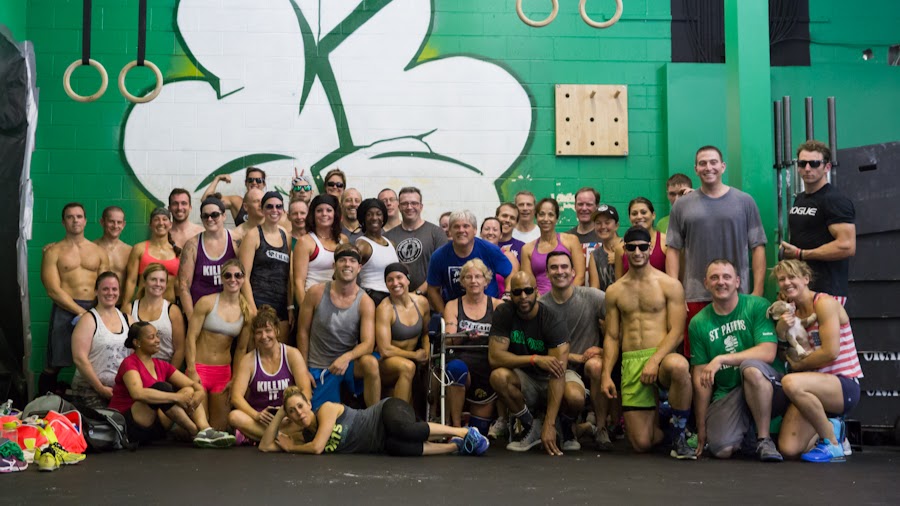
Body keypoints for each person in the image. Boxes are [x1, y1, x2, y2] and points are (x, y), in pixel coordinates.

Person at [600, 226, 695, 459]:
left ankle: (679, 435)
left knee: (679, 366)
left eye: (642, 247)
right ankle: (665, 418)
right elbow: (612, 336)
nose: (637, 252)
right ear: (625, 250)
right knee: (642, 443)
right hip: (632, 361)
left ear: (650, 248)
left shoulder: (669, 285)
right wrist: (606, 374)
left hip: (662, 359)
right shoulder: (614, 291)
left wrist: (654, 361)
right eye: (632, 248)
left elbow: (677, 332)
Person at [666, 145, 767, 358]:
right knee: (700, 359)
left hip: (739, 294)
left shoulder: (745, 201)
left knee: (740, 357)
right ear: (696, 169)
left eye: (713, 162)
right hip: (695, 295)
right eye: (702, 163)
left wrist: (757, 291)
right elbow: (673, 250)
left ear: (723, 166)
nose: (708, 167)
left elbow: (758, 246)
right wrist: (676, 294)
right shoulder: (681, 206)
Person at [690, 259, 786, 462]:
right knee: (721, 449)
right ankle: (747, 434)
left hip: (768, 385)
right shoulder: (698, 323)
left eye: (727, 277)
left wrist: (722, 359)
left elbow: (768, 352)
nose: (721, 282)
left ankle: (764, 439)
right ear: (706, 283)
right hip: (730, 392)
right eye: (714, 277)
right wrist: (701, 427)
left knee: (750, 368)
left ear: (737, 282)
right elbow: (701, 379)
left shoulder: (757, 305)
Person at [773, 260, 862, 463]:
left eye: (792, 277)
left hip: (842, 385)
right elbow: (783, 354)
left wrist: (798, 366)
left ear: (806, 279)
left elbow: (830, 352)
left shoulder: (824, 303)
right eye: (782, 279)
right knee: (789, 449)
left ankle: (832, 443)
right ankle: (833, 426)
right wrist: (781, 330)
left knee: (790, 382)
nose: (787, 283)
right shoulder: (790, 312)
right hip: (811, 390)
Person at [108, 321, 235, 448]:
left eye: (157, 336)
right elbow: (137, 393)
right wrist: (176, 397)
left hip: (156, 426)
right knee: (162, 387)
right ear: (137, 343)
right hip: (129, 426)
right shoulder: (129, 363)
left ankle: (205, 429)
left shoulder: (161, 365)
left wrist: (200, 392)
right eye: (151, 337)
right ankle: (195, 431)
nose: (157, 340)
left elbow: (193, 385)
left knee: (189, 390)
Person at [258, 387, 488, 456]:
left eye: (300, 406)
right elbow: (265, 446)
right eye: (292, 411)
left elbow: (318, 447)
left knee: (404, 430)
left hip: (386, 412)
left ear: (309, 404)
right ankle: (455, 447)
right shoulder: (304, 436)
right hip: (382, 441)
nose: (298, 413)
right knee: (398, 448)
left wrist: (293, 448)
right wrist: (280, 412)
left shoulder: (326, 410)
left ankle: (463, 432)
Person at [489, 272, 570, 455]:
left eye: (528, 291)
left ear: (537, 291)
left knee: (575, 397)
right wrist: (534, 359)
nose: (523, 296)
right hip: (526, 377)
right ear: (511, 295)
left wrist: (549, 424)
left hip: (552, 377)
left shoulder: (552, 319)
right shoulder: (504, 313)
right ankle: (531, 426)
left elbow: (558, 373)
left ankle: (565, 429)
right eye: (517, 292)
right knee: (498, 377)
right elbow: (494, 357)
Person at [540, 251, 610, 451]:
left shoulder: (593, 297)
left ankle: (601, 428)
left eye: (564, 267)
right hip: (557, 369)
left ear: (573, 272)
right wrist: (575, 356)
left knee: (596, 365)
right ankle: (572, 426)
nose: (559, 271)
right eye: (554, 267)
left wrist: (603, 349)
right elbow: (541, 348)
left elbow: (618, 327)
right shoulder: (541, 306)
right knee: (572, 397)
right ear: (547, 273)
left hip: (589, 367)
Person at [297, 244, 380, 409]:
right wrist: (303, 369)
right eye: (342, 260)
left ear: (359, 268)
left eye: (352, 261)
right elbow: (302, 332)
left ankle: (374, 416)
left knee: (370, 363)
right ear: (334, 265)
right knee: (316, 416)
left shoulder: (365, 302)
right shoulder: (315, 293)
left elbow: (368, 344)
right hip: (320, 366)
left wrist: (346, 357)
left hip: (347, 364)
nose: (347, 264)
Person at [39, 202, 110, 394]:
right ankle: (41, 403)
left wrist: (94, 312)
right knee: (54, 363)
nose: (75, 220)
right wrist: (80, 312)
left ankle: (96, 400)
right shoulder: (53, 251)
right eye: (70, 217)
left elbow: (105, 285)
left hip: (95, 308)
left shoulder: (98, 251)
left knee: (96, 358)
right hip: (65, 308)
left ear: (85, 221)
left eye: (79, 216)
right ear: (63, 222)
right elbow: (53, 289)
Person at [781, 140, 856, 304]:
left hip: (827, 290)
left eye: (814, 163)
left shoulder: (835, 200)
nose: (807, 168)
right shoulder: (800, 199)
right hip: (802, 288)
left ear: (827, 167)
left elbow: (847, 246)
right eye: (803, 163)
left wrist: (801, 254)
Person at [185, 259, 252, 430]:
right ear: (221, 278)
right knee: (200, 427)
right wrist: (191, 369)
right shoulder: (206, 302)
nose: (233, 279)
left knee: (220, 428)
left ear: (243, 279)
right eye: (228, 275)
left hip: (223, 373)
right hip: (199, 368)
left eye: (238, 275)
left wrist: (235, 378)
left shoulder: (247, 311)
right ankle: (181, 427)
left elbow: (241, 349)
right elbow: (191, 337)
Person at [227, 306, 311, 444]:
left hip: (287, 417)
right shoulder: (248, 360)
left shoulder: (292, 354)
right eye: (259, 333)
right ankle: (279, 437)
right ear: (254, 336)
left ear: (276, 330)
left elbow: (305, 390)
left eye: (268, 330)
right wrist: (257, 415)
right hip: (262, 419)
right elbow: (236, 397)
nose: (264, 336)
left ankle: (259, 437)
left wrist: (291, 413)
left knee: (310, 417)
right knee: (234, 416)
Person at [441, 259, 503, 432]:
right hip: (462, 362)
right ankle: (455, 428)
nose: (473, 281)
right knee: (456, 368)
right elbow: (449, 340)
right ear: (462, 281)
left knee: (479, 430)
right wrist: (465, 335)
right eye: (468, 277)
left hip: (488, 365)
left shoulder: (498, 306)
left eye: (478, 276)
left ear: (486, 280)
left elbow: (505, 340)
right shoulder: (453, 305)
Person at [425, 210, 512, 313]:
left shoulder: (490, 250)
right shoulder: (439, 256)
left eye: (466, 226)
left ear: (475, 230)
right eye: (456, 227)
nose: (461, 230)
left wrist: (507, 294)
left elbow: (510, 273)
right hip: (455, 313)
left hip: (489, 311)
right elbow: (433, 289)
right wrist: (445, 314)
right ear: (450, 231)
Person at [70, 272, 133, 409]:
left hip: (120, 389)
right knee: (106, 420)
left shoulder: (128, 319)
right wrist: (100, 388)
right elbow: (79, 359)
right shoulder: (88, 320)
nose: (110, 293)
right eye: (105, 289)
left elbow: (135, 356)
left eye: (114, 289)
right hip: (89, 390)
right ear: (96, 292)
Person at [239, 191, 293, 339]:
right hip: (258, 303)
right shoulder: (253, 235)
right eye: (269, 206)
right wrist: (252, 309)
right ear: (262, 210)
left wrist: (290, 306)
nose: (274, 210)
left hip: (281, 306)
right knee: (258, 349)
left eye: (278, 206)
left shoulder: (286, 235)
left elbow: (289, 276)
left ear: (283, 210)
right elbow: (244, 277)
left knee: (279, 350)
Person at [375, 263, 431, 405]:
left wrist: (426, 352)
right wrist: (415, 356)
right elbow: (385, 350)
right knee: (408, 367)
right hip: (386, 361)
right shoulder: (384, 309)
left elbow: (426, 333)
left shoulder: (422, 303)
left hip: (412, 359)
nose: (395, 283)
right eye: (390, 280)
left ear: (408, 280)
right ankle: (401, 415)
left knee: (427, 367)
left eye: (399, 278)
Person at [177, 197, 238, 320]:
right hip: (201, 313)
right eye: (205, 216)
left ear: (224, 216)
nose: (210, 219)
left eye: (214, 215)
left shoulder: (236, 241)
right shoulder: (192, 245)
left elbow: (245, 278)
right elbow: (183, 286)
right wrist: (192, 318)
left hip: (230, 312)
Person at [384, 187, 448, 294]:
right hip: (397, 298)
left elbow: (441, 268)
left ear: (421, 207)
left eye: (414, 203)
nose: (409, 207)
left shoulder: (436, 233)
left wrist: (417, 293)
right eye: (405, 204)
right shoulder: (387, 237)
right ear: (399, 207)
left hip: (431, 299)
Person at [122, 263, 186, 368]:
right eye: (153, 279)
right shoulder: (129, 309)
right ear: (144, 282)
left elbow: (180, 349)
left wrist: (170, 375)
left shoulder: (173, 311)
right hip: (136, 368)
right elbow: (122, 345)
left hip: (165, 368)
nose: (158, 284)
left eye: (162, 280)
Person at [292, 194, 348, 307]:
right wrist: (305, 311)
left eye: (329, 210)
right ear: (313, 215)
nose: (324, 214)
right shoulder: (305, 242)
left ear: (335, 214)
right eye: (319, 210)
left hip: (337, 302)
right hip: (311, 302)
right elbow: (298, 282)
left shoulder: (343, 240)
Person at [520, 198, 584, 295]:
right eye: (542, 214)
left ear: (556, 218)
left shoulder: (571, 241)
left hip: (570, 298)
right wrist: (540, 300)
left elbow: (580, 276)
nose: (546, 219)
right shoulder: (527, 249)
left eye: (550, 214)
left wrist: (567, 297)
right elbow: (529, 284)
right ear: (536, 217)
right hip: (541, 300)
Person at [123, 207, 181, 305]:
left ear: (170, 224)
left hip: (169, 307)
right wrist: (125, 305)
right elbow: (131, 281)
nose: (161, 223)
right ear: (150, 224)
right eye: (156, 219)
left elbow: (180, 285)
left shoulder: (177, 252)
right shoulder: (139, 249)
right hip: (143, 306)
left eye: (164, 219)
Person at [355, 198, 399, 307]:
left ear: (383, 218)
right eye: (369, 214)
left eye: (378, 214)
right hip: (371, 297)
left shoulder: (391, 244)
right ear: (363, 218)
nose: (374, 218)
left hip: (392, 296)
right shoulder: (362, 245)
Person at [615, 197, 666, 278]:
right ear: (629, 218)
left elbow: (674, 279)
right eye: (634, 214)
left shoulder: (666, 243)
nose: (639, 217)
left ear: (653, 215)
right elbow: (619, 282)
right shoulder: (620, 249)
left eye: (643, 212)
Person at [202, 167, 267, 226]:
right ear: (246, 183)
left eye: (258, 180)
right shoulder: (237, 202)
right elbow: (206, 200)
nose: (254, 183)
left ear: (264, 184)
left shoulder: (270, 204)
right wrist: (217, 178)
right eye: (250, 180)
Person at [93, 206, 131, 300]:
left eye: (119, 222)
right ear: (102, 222)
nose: (115, 226)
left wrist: (125, 304)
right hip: (95, 303)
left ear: (123, 224)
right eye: (111, 221)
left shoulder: (129, 251)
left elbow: (133, 281)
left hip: (120, 304)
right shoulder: (91, 248)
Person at [588, 205, 622, 292]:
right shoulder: (595, 255)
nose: (603, 226)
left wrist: (621, 259)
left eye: (607, 222)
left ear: (616, 226)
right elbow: (594, 289)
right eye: (598, 223)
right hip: (604, 299)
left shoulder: (629, 246)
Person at [480, 217, 519, 292]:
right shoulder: (473, 254)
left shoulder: (508, 257)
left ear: (501, 235)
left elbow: (514, 285)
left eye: (495, 230)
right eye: (487, 229)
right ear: (480, 233)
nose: (490, 232)